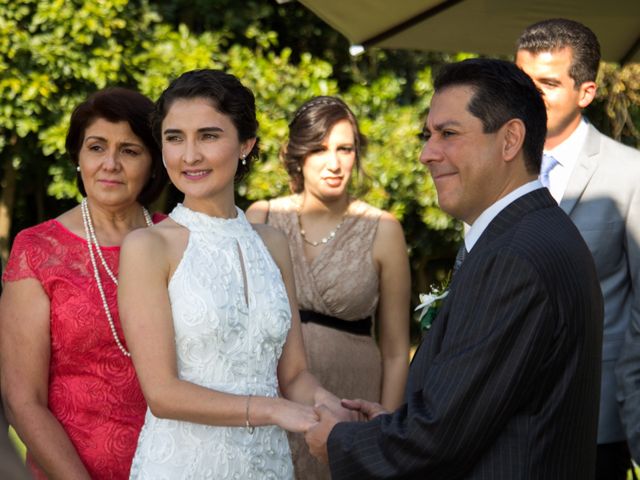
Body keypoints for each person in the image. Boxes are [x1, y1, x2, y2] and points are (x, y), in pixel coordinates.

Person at [304, 58, 604, 479]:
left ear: (509, 140)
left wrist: (337, 441)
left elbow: (439, 438)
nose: (427, 154)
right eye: (428, 136)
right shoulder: (535, 233)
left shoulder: (514, 257)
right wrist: (386, 426)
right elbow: (474, 406)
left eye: (448, 134)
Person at [118, 69, 349, 479]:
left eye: (208, 136)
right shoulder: (148, 247)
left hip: (268, 466)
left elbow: (294, 375)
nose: (189, 155)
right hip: (182, 465)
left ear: (246, 143)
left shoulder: (272, 243)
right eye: (175, 138)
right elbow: (162, 394)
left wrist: (336, 409)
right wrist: (273, 409)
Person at [0, 87, 167, 479]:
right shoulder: (38, 249)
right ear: (78, 157)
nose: (110, 163)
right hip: (70, 469)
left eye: (130, 150)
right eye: (96, 147)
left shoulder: (179, 239)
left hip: (178, 463)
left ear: (154, 164)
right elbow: (24, 399)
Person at [246, 96, 410, 479]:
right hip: (275, 398)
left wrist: (382, 438)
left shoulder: (383, 228)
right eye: (320, 149)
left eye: (345, 149)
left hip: (353, 400)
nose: (334, 163)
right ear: (297, 154)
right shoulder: (262, 216)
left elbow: (396, 351)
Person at [515, 19, 640, 479]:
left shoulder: (632, 176)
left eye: (547, 84)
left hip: (597, 417)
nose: (529, 95)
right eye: (522, 81)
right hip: (505, 414)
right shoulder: (492, 166)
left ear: (586, 92)